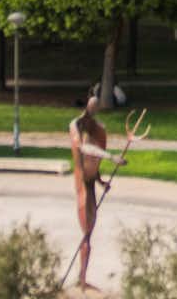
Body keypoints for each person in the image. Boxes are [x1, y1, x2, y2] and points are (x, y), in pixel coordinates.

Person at [67, 100, 111, 289]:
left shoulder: (97, 129)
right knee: (86, 235)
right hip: (83, 187)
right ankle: (82, 279)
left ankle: (82, 277)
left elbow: (94, 162)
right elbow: (83, 149)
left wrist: (101, 182)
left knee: (88, 235)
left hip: (91, 185)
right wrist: (111, 157)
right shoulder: (76, 126)